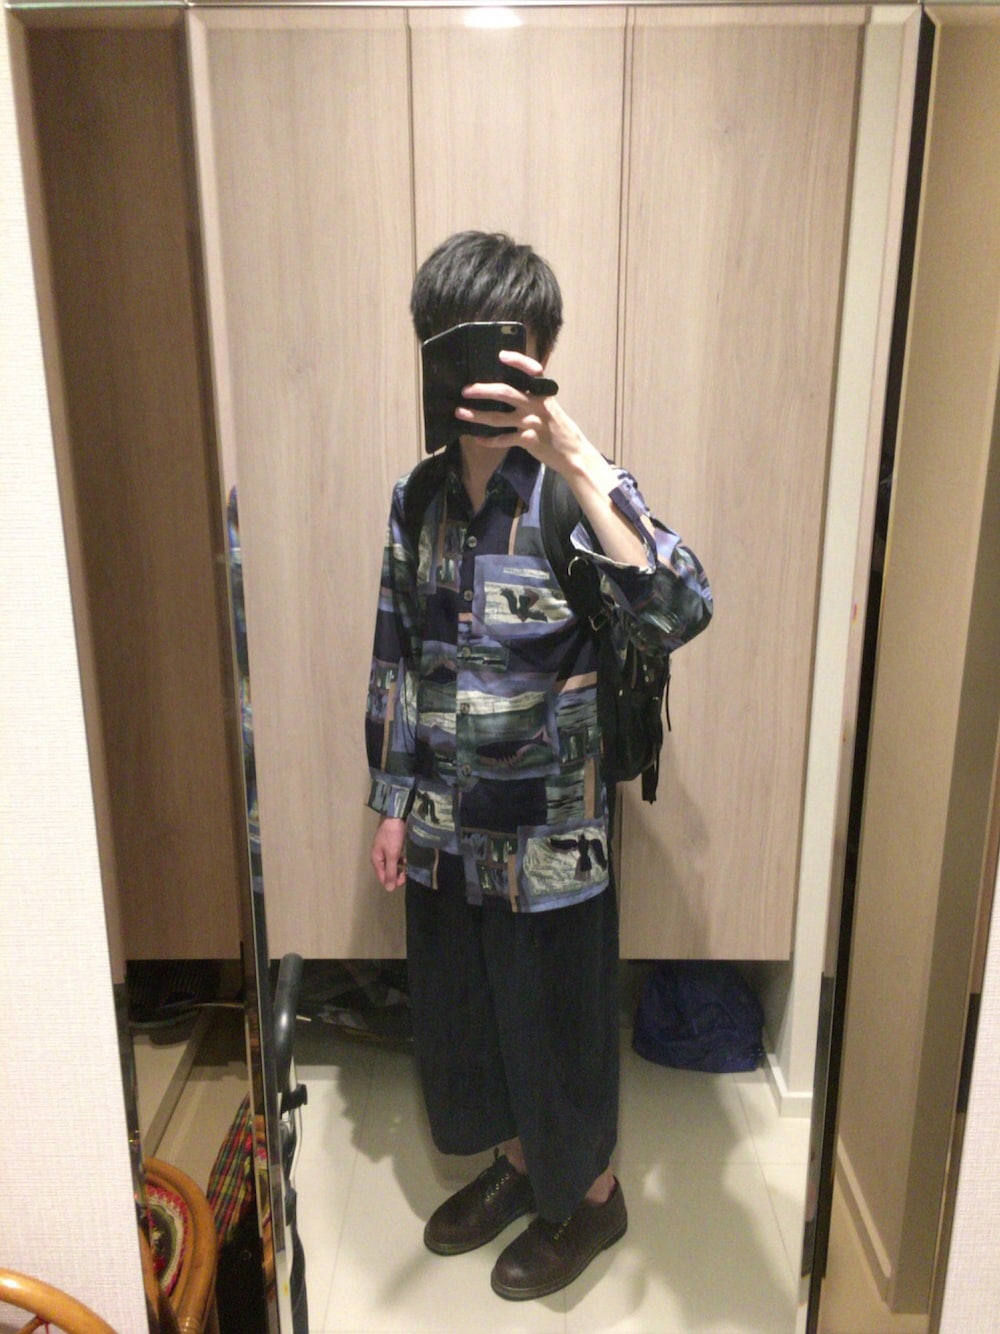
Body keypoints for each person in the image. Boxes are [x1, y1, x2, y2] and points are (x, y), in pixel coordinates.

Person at [365, 231, 712, 1300]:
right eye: (452, 344)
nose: (477, 372)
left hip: (552, 845)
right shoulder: (416, 498)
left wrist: (581, 460)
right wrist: (391, 802)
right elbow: (395, 654)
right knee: (470, 1021)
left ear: (539, 355)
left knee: (558, 1032)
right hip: (445, 835)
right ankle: (519, 1166)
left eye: (501, 347)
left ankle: (591, 1198)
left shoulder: (571, 494)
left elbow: (681, 605)